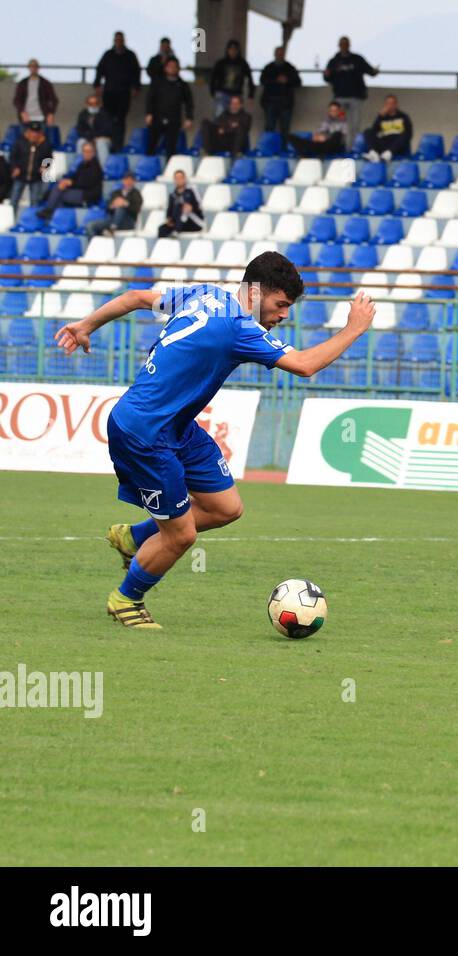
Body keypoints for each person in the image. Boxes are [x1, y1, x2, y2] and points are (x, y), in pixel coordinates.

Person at [52, 252, 376, 629]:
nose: (285, 314)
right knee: (181, 535)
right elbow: (305, 366)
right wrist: (353, 328)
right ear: (256, 294)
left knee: (225, 507)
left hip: (176, 426)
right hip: (144, 433)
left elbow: (135, 298)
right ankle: (126, 599)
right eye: (281, 304)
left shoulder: (205, 294)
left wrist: (86, 325)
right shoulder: (238, 326)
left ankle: (134, 537)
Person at [94, 31, 143, 152]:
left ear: (124, 40)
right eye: (117, 40)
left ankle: (118, 146)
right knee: (107, 118)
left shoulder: (130, 55)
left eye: (120, 40)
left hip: (124, 93)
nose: (118, 42)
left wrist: (136, 87)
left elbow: (136, 72)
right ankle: (108, 144)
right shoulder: (108, 54)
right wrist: (97, 84)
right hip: (109, 92)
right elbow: (100, 69)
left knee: (120, 120)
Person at [323, 36, 379, 137]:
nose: (344, 46)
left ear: (349, 45)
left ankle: (353, 150)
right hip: (339, 97)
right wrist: (326, 75)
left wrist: (375, 71)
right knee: (338, 125)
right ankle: (339, 148)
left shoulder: (357, 59)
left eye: (346, 44)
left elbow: (370, 71)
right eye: (342, 44)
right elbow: (327, 78)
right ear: (339, 46)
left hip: (356, 97)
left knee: (355, 125)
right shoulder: (333, 61)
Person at [36, 140, 102, 221]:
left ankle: (50, 212)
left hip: (87, 195)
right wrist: (67, 181)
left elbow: (87, 183)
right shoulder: (82, 164)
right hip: (79, 191)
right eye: (84, 151)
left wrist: (71, 183)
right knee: (59, 188)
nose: (86, 153)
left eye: (89, 151)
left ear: (93, 152)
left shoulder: (95, 166)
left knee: (58, 194)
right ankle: (56, 217)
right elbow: (75, 177)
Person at [145, 57, 193, 158]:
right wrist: (149, 113)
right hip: (157, 118)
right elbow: (150, 98)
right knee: (151, 145)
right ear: (165, 68)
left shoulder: (182, 85)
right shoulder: (157, 82)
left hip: (174, 120)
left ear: (178, 68)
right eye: (170, 66)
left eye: (175, 67)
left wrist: (189, 118)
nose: (172, 69)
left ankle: (169, 170)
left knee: (171, 148)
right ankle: (148, 168)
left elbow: (189, 102)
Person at [8, 122, 53, 209]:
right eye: (32, 132)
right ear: (28, 131)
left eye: (36, 132)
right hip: (20, 174)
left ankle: (32, 221)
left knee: (34, 202)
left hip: (36, 176)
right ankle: (10, 220)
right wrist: (15, 167)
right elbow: (12, 156)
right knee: (13, 200)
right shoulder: (20, 141)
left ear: (40, 133)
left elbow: (49, 158)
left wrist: (44, 166)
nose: (34, 134)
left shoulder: (45, 144)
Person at [259, 46, 302, 139]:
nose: (279, 55)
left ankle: (284, 150)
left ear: (284, 55)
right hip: (270, 102)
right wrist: (275, 80)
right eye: (278, 53)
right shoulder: (268, 67)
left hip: (286, 103)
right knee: (270, 127)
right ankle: (269, 149)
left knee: (285, 128)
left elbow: (298, 82)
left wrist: (287, 80)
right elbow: (262, 80)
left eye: (281, 54)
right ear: (274, 54)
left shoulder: (290, 68)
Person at [85, 171, 142, 237]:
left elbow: (137, 209)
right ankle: (95, 245)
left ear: (134, 182)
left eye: (131, 180)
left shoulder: (136, 194)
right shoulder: (116, 193)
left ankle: (112, 229)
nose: (128, 182)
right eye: (126, 179)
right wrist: (112, 206)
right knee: (90, 226)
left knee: (121, 208)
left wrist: (125, 204)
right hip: (112, 219)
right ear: (123, 180)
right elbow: (107, 208)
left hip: (128, 221)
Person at [209, 40, 255, 119]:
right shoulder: (221, 63)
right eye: (231, 49)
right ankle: (217, 131)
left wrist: (251, 95)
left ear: (237, 51)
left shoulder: (243, 63)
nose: (232, 51)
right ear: (227, 50)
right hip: (222, 94)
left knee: (236, 117)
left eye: (235, 49)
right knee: (219, 115)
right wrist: (213, 92)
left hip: (236, 95)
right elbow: (213, 78)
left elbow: (250, 79)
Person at [361, 94, 413, 163]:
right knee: (367, 131)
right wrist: (380, 117)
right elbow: (374, 131)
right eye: (388, 103)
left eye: (392, 103)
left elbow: (409, 133)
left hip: (398, 145)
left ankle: (389, 154)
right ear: (385, 104)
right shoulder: (382, 117)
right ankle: (373, 153)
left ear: (396, 104)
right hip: (385, 143)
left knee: (405, 134)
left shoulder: (403, 116)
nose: (390, 105)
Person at [13, 59, 58, 133]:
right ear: (28, 68)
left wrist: (51, 114)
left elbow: (54, 100)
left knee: (42, 141)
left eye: (35, 66)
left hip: (42, 118)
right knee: (25, 142)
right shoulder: (22, 83)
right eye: (31, 66)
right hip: (26, 119)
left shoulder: (45, 83)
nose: (33, 68)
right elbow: (17, 100)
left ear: (38, 68)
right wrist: (22, 112)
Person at [158, 169, 203, 237]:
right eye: (176, 178)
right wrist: (169, 219)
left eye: (180, 178)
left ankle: (177, 230)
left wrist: (192, 207)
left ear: (184, 179)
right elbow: (169, 211)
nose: (178, 180)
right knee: (162, 229)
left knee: (183, 208)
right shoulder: (173, 195)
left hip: (193, 222)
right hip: (178, 223)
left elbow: (198, 206)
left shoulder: (191, 192)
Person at [76, 93, 115, 169]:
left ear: (99, 104)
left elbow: (107, 130)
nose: (93, 105)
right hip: (89, 139)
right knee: (80, 142)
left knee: (101, 142)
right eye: (90, 103)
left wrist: (94, 137)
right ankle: (81, 167)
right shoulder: (83, 114)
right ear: (86, 104)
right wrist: (92, 138)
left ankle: (103, 170)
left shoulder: (105, 114)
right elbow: (80, 130)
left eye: (95, 103)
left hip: (104, 139)